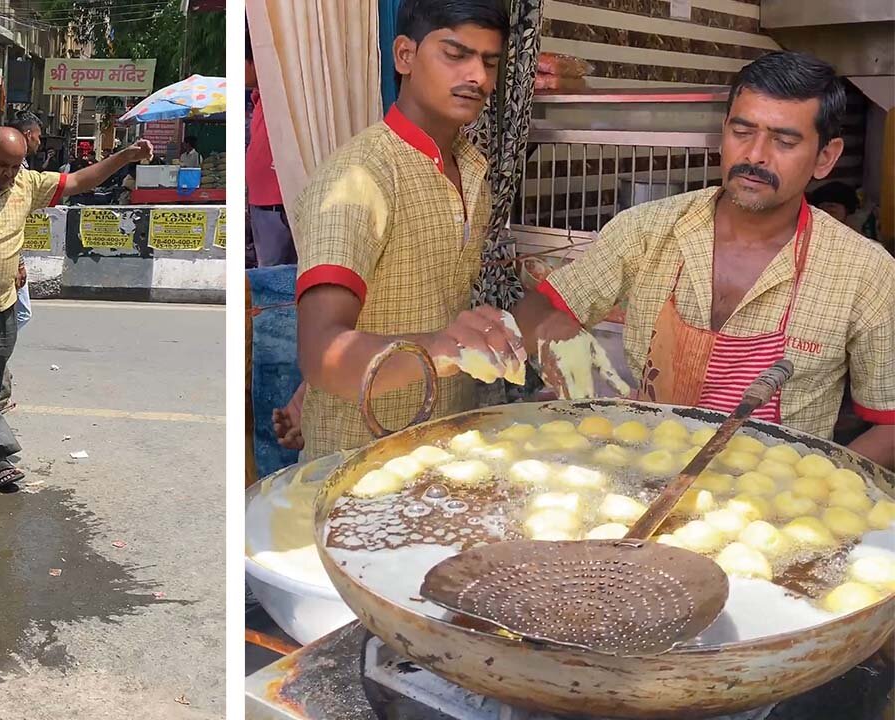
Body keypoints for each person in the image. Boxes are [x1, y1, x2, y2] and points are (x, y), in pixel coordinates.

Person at [511, 51, 894, 468]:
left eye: (784, 141)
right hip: (644, 473)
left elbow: (890, 424)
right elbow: (550, 303)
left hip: (769, 507)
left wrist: (822, 486)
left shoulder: (864, 271)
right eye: (742, 131)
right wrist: (527, 335)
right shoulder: (647, 229)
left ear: (826, 157)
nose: (755, 156)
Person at [290, 0, 513, 461]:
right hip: (359, 457)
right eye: (456, 55)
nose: (478, 77)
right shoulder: (359, 177)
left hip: (443, 445)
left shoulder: (471, 169)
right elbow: (321, 352)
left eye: (489, 63)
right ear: (405, 56)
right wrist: (441, 348)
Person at [0, 128, 154, 489]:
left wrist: (123, 157)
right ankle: (2, 458)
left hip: (3, 305)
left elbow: (77, 180)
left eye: (15, 166)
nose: (9, 173)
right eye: (2, 165)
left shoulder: (26, 184)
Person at [246, 31, 297, 268]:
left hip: (285, 203)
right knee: (270, 276)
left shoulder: (282, 94)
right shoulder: (258, 99)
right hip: (264, 206)